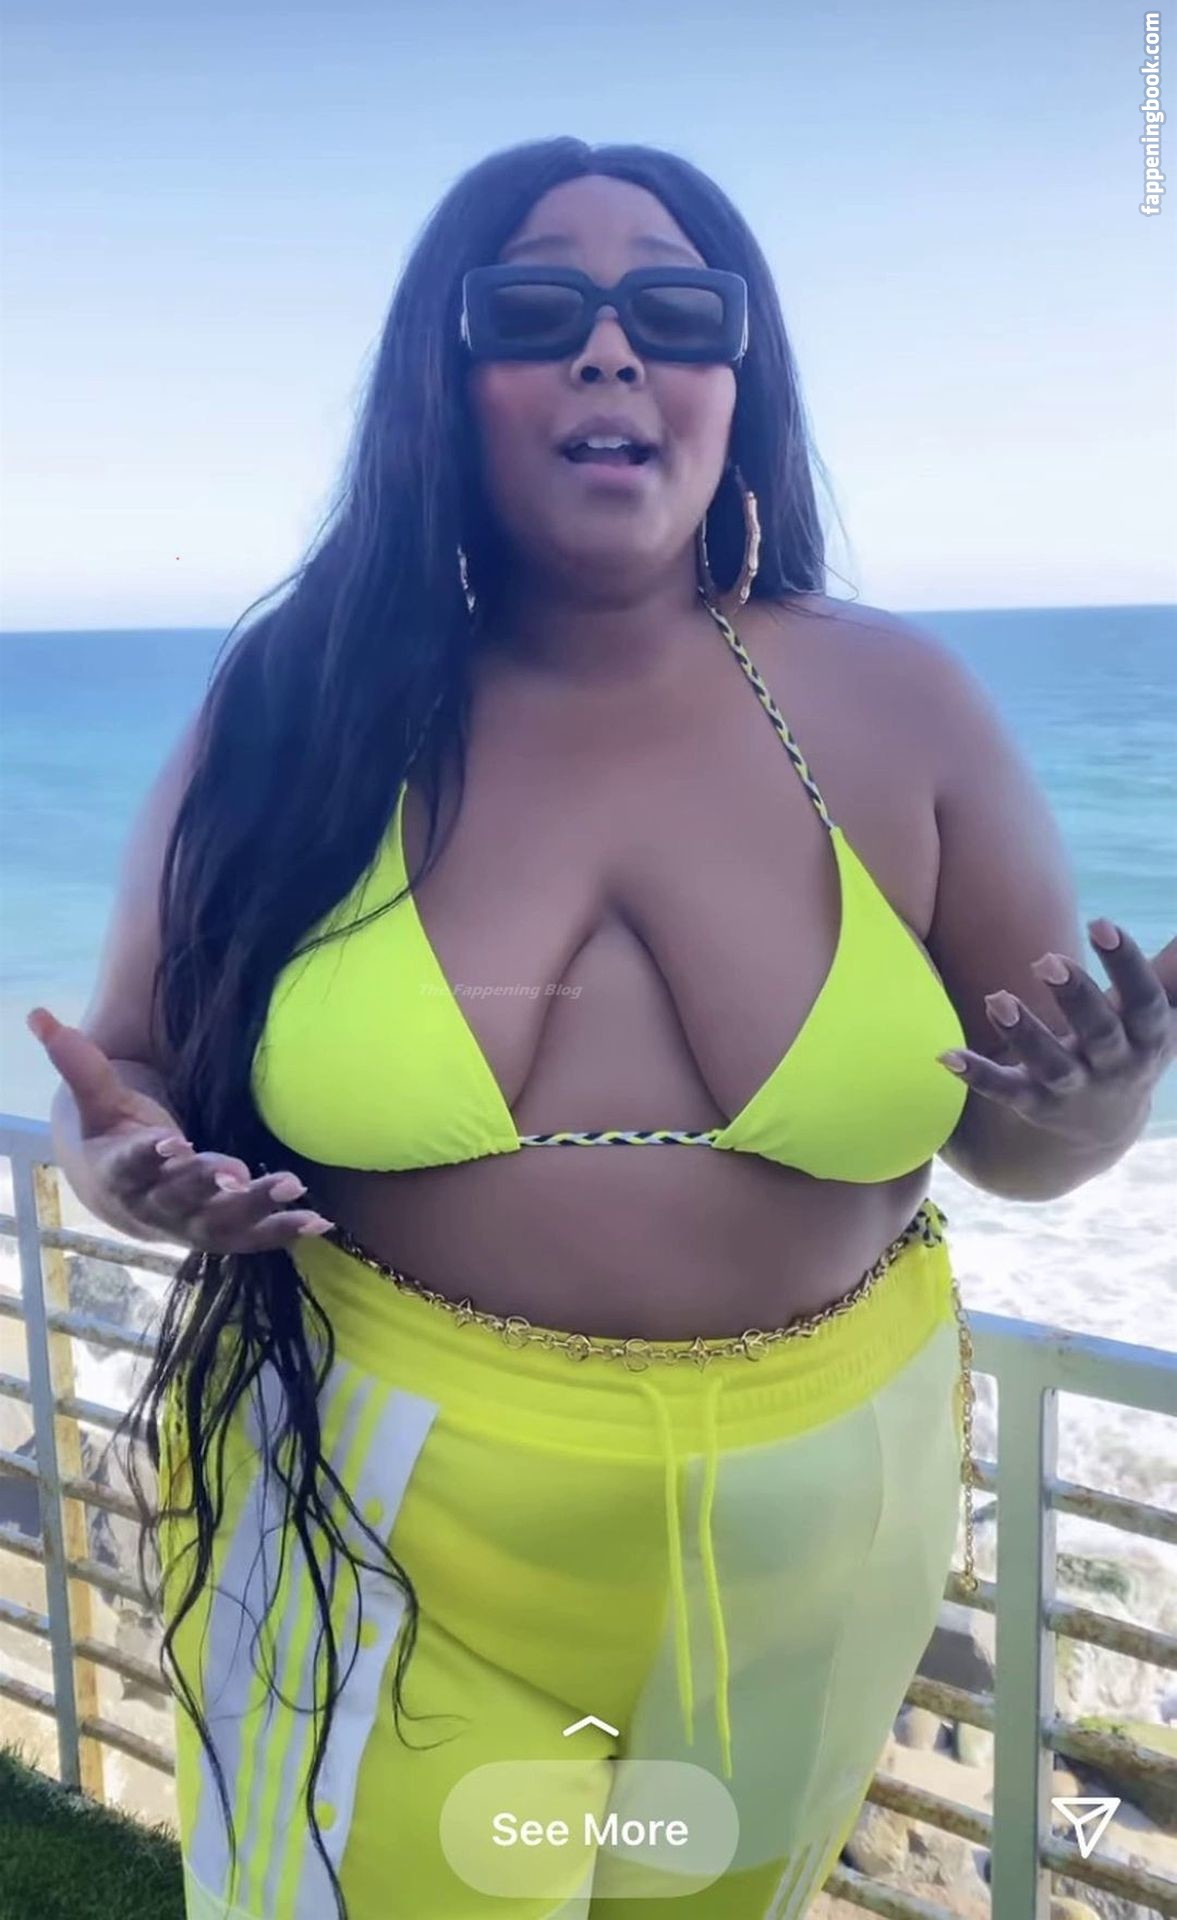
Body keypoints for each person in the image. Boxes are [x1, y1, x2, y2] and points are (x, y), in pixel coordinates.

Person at [29, 137, 1175, 1920]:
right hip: (383, 1518)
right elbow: (130, 1074)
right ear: (444, 376)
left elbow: (1024, 1147)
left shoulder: (903, 705)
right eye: (535, 307)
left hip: (820, 1535)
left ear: (735, 377)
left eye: (675, 309)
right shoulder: (301, 703)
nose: (611, 347)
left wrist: (1095, 1106)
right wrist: (127, 1170)